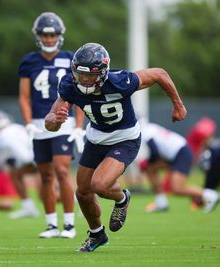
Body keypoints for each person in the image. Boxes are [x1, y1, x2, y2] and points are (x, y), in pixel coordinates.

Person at [45, 43, 187, 252]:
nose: (84, 79)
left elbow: (159, 73)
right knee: (83, 192)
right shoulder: (69, 85)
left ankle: (122, 198)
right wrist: (54, 119)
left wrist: (178, 104)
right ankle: (97, 235)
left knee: (100, 185)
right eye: (80, 74)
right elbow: (50, 123)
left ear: (103, 72)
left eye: (90, 75)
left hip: (125, 138)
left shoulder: (121, 81)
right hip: (96, 139)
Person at [18, 12, 85, 239]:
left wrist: (78, 125)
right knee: (45, 175)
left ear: (59, 35)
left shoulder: (70, 58)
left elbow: (79, 93)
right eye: (45, 35)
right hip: (38, 124)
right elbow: (24, 97)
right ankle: (50, 224)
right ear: (38, 36)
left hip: (63, 123)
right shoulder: (29, 61)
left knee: (62, 170)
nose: (48, 39)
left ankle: (68, 223)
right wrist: (28, 124)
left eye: (52, 34)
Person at [138, 122, 219, 213]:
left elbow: (155, 152)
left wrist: (147, 162)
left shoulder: (145, 131)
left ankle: (211, 195)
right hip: (176, 153)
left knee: (177, 188)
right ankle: (161, 203)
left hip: (181, 153)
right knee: (150, 169)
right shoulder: (149, 127)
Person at [0, 109, 40, 219]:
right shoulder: (15, 127)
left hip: (37, 160)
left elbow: (25, 157)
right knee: (15, 173)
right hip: (41, 157)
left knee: (15, 173)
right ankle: (29, 207)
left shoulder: (3, 135)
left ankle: (29, 208)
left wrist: (16, 162)